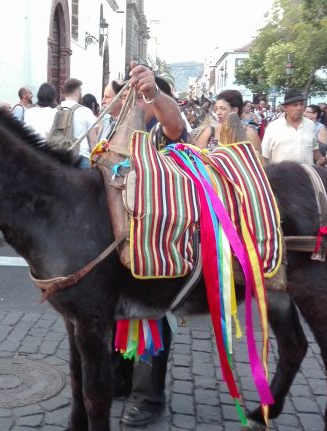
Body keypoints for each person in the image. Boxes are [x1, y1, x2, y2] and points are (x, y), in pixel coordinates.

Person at [115, 65, 185, 428]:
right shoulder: (122, 132)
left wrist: (153, 93)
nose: (127, 102)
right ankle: (121, 378)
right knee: (119, 311)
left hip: (159, 244)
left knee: (150, 314)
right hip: (124, 239)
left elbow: (176, 125)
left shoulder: (162, 130)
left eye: (136, 97)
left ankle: (148, 397)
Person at [261, 89, 325, 166]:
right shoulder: (273, 127)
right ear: (285, 108)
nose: (299, 108)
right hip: (281, 173)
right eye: (295, 105)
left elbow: (314, 147)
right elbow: (264, 155)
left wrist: (321, 159)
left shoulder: (310, 125)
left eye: (301, 104)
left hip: (306, 172)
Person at [195, 89, 261, 153]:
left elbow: (259, 159)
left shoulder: (249, 133)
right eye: (217, 108)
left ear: (235, 110)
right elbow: (197, 156)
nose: (218, 113)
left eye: (222, 108)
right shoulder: (210, 131)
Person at [59, 78, 98, 168]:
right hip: (81, 158)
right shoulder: (86, 111)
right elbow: (93, 140)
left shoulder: (55, 111)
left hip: (61, 159)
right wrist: (95, 161)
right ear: (77, 92)